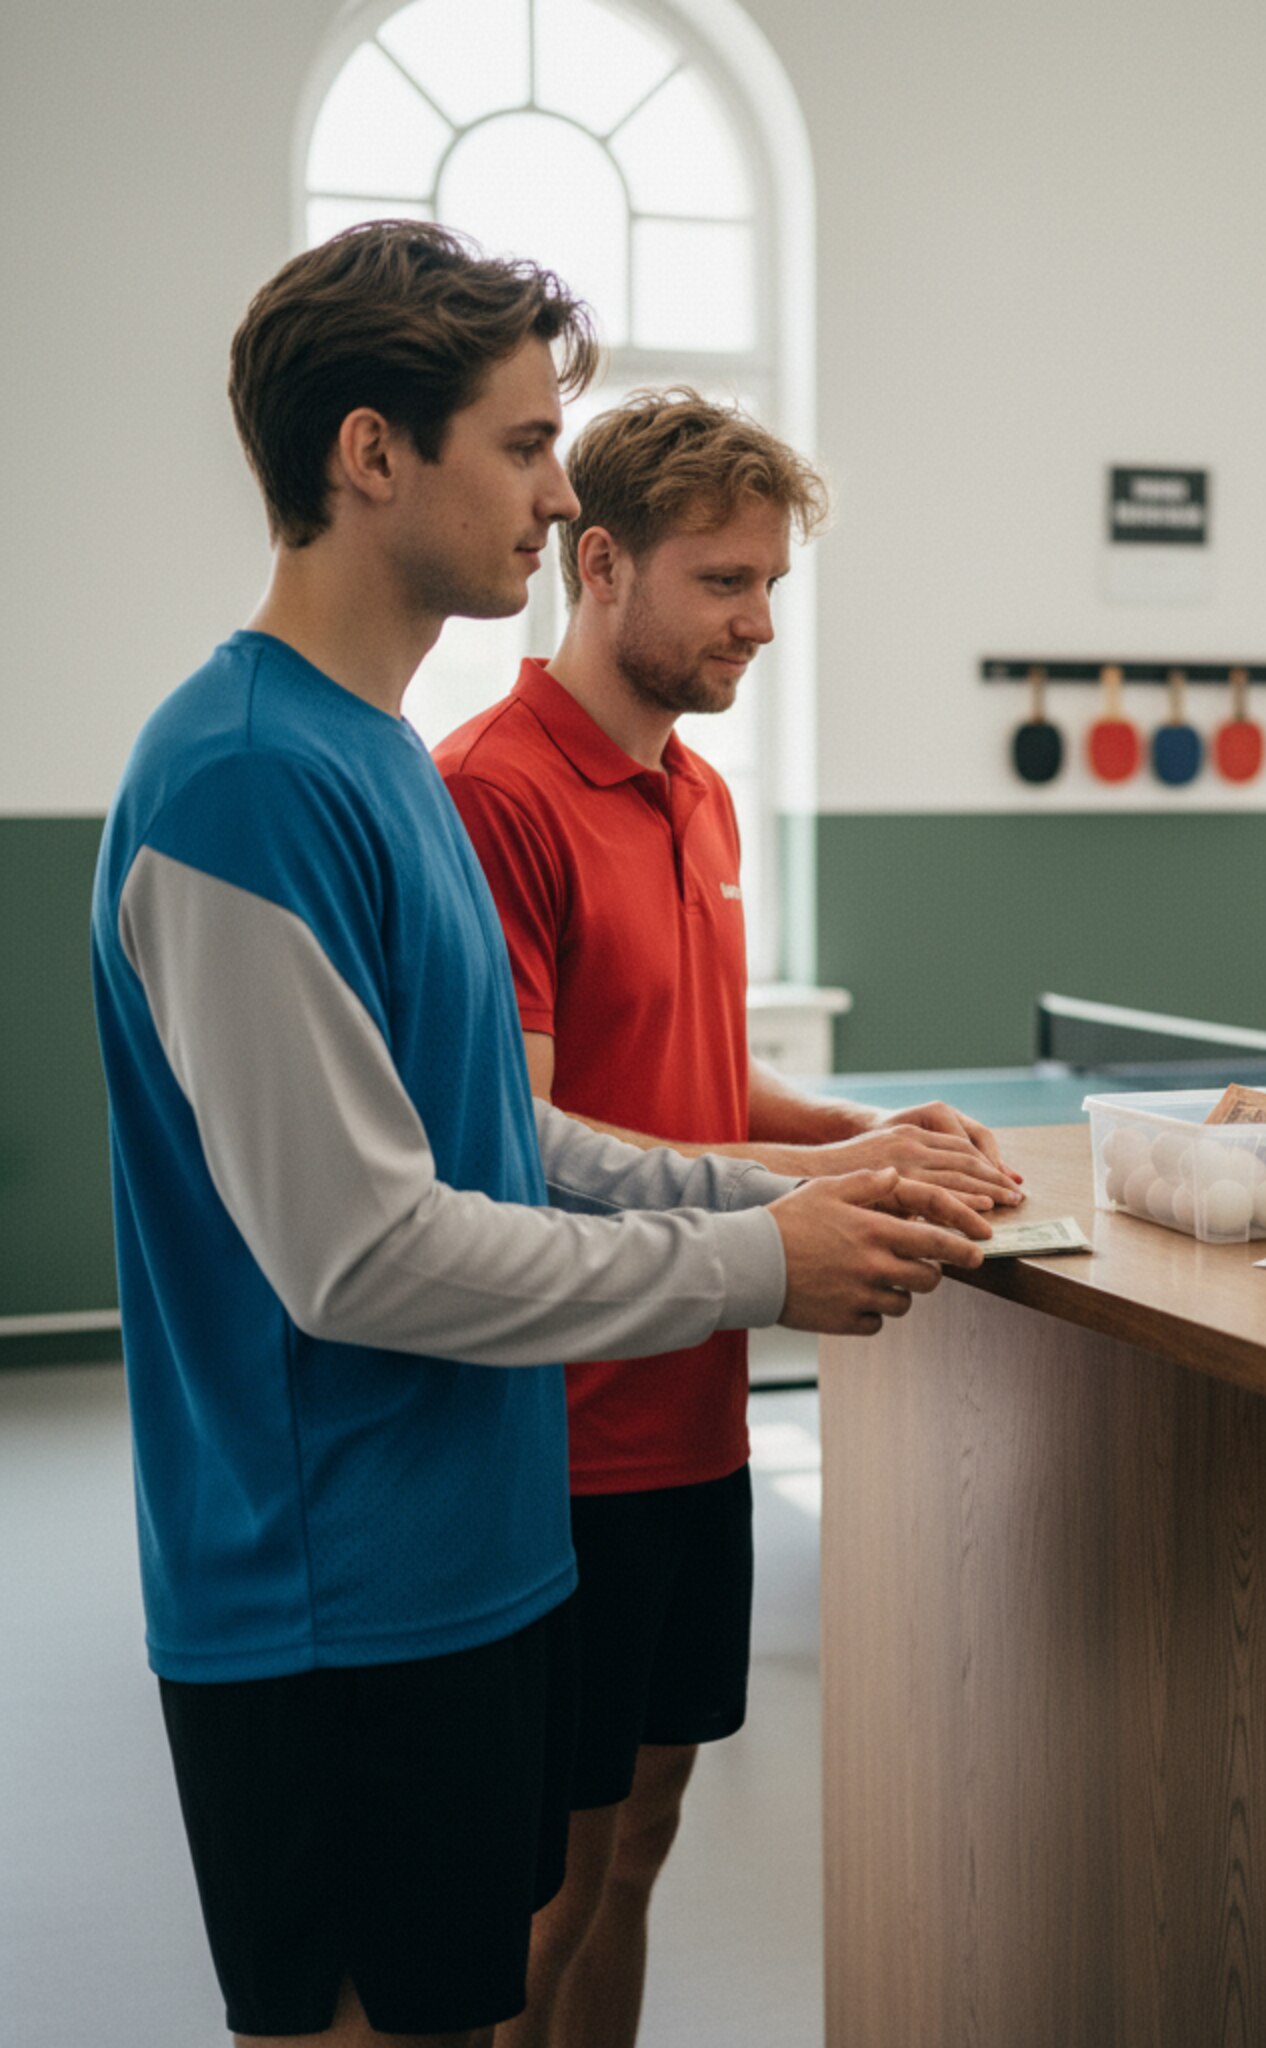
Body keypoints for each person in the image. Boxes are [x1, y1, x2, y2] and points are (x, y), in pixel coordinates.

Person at [89, 224, 986, 2048]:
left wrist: (799, 1192)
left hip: (466, 1561)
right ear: (370, 453)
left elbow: (512, 1136)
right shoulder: (247, 778)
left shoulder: (366, 752)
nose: (560, 491)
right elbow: (361, 1255)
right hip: (332, 1596)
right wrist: (756, 1258)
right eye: (520, 445)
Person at [434, 387, 1023, 2048]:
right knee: (542, 1898)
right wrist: (817, 1184)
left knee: (639, 1845)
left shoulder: (697, 795)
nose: (760, 621)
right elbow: (523, 1138)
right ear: (600, 564)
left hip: (697, 1419)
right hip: (557, 1433)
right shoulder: (488, 794)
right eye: (724, 582)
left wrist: (855, 1131)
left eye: (772, 584)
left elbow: (694, 1065)